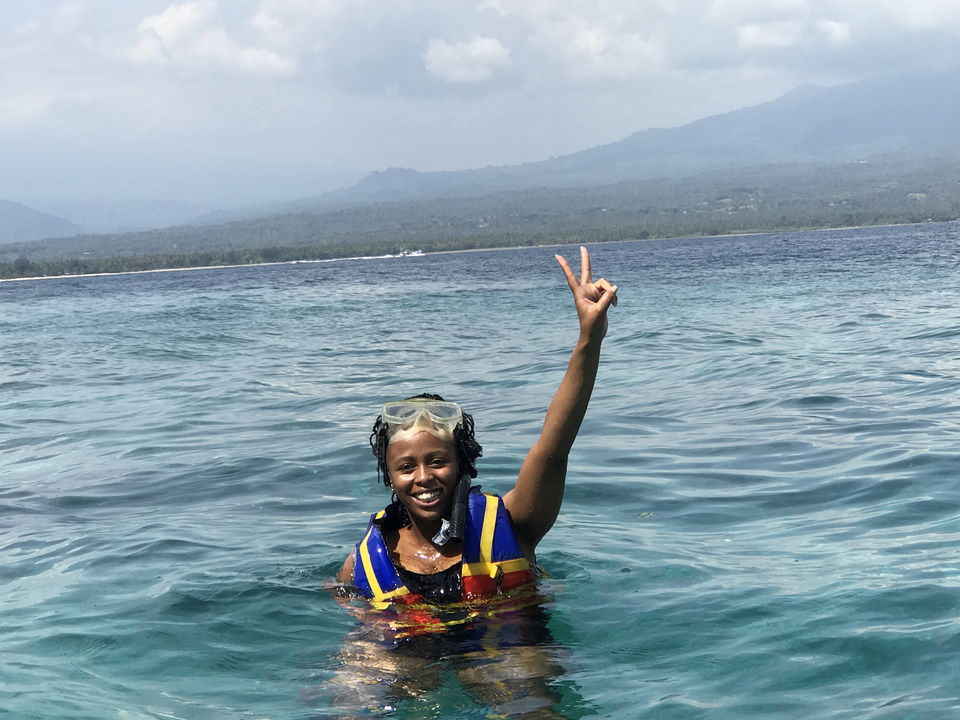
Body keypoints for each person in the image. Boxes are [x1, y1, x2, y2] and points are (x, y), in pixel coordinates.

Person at [336, 246, 617, 603]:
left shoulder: (515, 524)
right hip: (412, 652)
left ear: (462, 464)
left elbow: (553, 449)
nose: (423, 477)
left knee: (522, 662)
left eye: (437, 461)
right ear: (389, 475)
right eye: (406, 467)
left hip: (508, 650)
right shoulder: (360, 564)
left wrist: (589, 339)